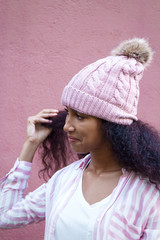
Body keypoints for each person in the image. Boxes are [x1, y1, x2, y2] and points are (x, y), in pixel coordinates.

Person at [0, 38, 160, 240]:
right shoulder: (63, 180)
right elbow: (4, 215)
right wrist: (30, 145)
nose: (67, 125)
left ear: (111, 124)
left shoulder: (148, 195)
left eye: (81, 116)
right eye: (69, 113)